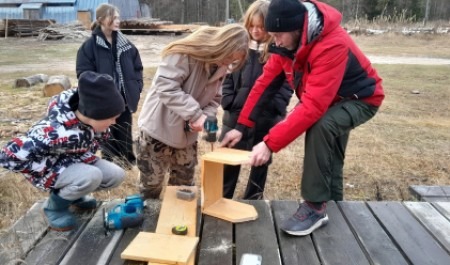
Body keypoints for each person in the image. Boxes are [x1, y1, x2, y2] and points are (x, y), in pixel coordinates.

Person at [221, 0, 385, 236]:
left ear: (297, 28)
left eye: (278, 35)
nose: (274, 41)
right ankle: (335, 206)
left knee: (321, 126)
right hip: (331, 100)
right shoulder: (286, 45)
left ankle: (315, 206)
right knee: (331, 154)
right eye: (272, 35)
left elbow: (313, 107)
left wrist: (269, 143)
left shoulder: (332, 44)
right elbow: (264, 85)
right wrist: (241, 126)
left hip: (361, 99)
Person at [0, 71, 126, 231]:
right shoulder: (53, 132)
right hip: (50, 170)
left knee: (116, 175)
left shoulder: (92, 121)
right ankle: (54, 208)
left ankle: (75, 195)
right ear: (94, 114)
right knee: (92, 176)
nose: (115, 122)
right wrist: (39, 170)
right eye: (111, 118)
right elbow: (9, 154)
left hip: (79, 161)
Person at [137, 24, 249, 200]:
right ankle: (148, 221)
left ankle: (177, 220)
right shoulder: (184, 53)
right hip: (158, 131)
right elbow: (166, 87)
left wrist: (208, 120)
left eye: (232, 61)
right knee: (151, 185)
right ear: (221, 46)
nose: (227, 64)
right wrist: (196, 115)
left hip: (186, 137)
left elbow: (214, 99)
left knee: (183, 186)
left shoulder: (221, 66)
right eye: (228, 57)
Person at [220, 0, 293, 200]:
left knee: (260, 163)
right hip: (234, 118)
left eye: (261, 27)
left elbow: (287, 85)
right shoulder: (238, 48)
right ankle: (222, 198)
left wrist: (275, 106)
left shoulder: (279, 52)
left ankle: (253, 201)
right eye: (252, 26)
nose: (256, 31)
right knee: (228, 161)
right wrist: (228, 100)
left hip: (266, 120)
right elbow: (226, 77)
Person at [76, 3, 143, 169]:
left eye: (118, 17)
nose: (117, 20)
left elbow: (137, 68)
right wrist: (98, 93)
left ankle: (127, 163)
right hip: (104, 100)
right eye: (113, 17)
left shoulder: (126, 45)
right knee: (106, 134)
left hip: (125, 98)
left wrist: (136, 86)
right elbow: (83, 74)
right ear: (101, 20)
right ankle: (109, 164)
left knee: (125, 131)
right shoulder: (89, 47)